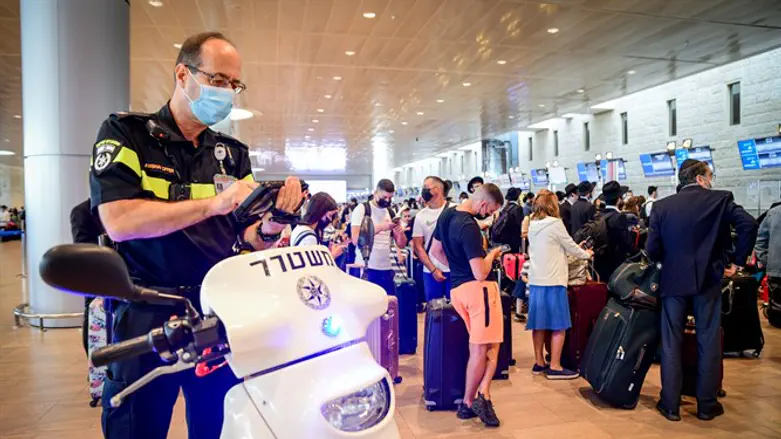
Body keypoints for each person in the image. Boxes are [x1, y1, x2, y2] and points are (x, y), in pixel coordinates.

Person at [89, 32, 304, 439]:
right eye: (218, 80)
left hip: (216, 308)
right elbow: (118, 220)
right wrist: (211, 204)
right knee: (137, 425)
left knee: (218, 424)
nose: (227, 92)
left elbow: (249, 237)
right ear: (183, 74)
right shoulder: (127, 133)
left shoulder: (231, 152)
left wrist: (276, 221)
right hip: (147, 309)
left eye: (234, 84)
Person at [646, 159, 757, 423]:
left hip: (672, 281)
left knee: (671, 341)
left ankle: (670, 404)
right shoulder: (720, 200)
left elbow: (652, 250)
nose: (711, 180)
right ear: (699, 178)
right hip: (708, 279)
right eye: (709, 175)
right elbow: (749, 225)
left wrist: (668, 261)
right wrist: (737, 261)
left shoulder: (661, 207)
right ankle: (707, 404)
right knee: (708, 339)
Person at [429, 184, 505, 427]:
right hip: (479, 291)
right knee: (485, 349)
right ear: (483, 205)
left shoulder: (447, 214)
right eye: (490, 210)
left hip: (458, 289)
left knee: (483, 346)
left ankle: (476, 397)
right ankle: (473, 399)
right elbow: (481, 273)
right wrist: (492, 255)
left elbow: (436, 252)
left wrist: (457, 267)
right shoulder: (470, 227)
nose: (488, 214)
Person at [526, 190, 593, 380]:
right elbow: (571, 246)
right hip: (554, 279)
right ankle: (555, 366)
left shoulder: (533, 224)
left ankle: (539, 362)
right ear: (552, 205)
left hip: (536, 279)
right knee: (558, 325)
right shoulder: (555, 224)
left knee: (538, 325)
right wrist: (587, 254)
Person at [351, 179, 407, 295]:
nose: (387, 200)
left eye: (390, 198)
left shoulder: (390, 212)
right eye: (384, 197)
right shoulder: (362, 209)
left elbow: (401, 244)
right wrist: (382, 227)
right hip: (366, 267)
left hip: (386, 268)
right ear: (375, 192)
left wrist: (400, 232)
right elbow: (356, 239)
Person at [412, 176, 455, 301]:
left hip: (454, 270)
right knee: (434, 310)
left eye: (426, 188)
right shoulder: (421, 216)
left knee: (456, 310)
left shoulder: (456, 210)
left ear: (437, 189)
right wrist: (433, 269)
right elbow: (418, 246)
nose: (423, 191)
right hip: (430, 271)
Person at [594, 182, 633, 282]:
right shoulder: (620, 218)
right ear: (619, 199)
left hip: (599, 265)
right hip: (616, 267)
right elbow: (627, 243)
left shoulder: (598, 215)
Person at [290, 192, 347, 256]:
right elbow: (312, 265)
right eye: (330, 215)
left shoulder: (300, 227)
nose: (330, 220)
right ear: (320, 212)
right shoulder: (309, 237)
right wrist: (333, 255)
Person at [756, 203, 780, 317]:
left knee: (777, 312)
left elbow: (760, 240)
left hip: (776, 269)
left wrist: (767, 261)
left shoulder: (773, 213)